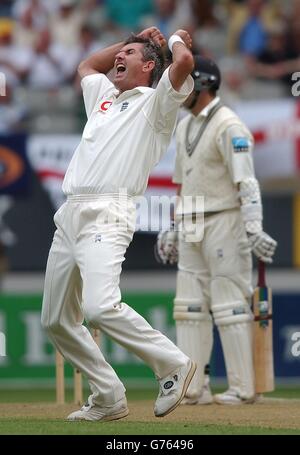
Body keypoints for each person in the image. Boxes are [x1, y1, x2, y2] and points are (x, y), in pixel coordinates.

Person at [41, 26, 196, 421]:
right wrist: (131, 39)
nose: (117, 59)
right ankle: (109, 396)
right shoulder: (105, 98)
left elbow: (183, 63)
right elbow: (87, 64)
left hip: (109, 212)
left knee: (99, 305)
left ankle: (173, 364)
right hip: (70, 212)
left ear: (148, 66)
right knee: (56, 320)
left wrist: (174, 37)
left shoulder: (156, 103)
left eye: (128, 54)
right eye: (118, 53)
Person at [156, 55, 277, 405]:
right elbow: (183, 184)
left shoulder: (229, 125)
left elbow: (246, 181)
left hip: (226, 219)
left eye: (186, 85)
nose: (180, 92)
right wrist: (175, 228)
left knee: (229, 307)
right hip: (193, 221)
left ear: (204, 84)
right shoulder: (184, 126)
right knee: (189, 307)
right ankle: (194, 387)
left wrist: (253, 228)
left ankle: (243, 388)